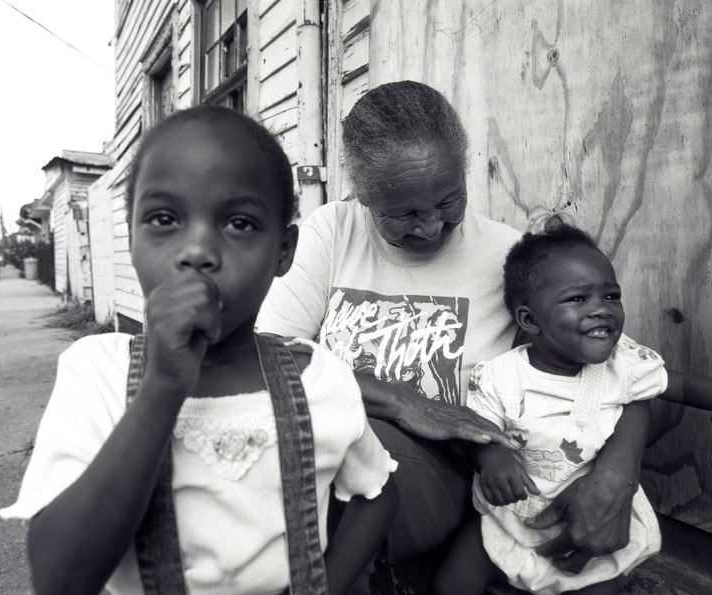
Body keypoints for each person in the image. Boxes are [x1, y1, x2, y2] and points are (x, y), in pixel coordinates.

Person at [257, 80, 652, 586]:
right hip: (329, 466)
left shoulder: (512, 258)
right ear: (361, 194)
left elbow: (617, 366)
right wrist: (405, 403)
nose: (429, 228)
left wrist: (618, 473)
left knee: (346, 445)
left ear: (464, 170)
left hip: (447, 479)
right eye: (402, 214)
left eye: (447, 202)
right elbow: (270, 356)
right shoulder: (331, 232)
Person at [0, 105, 398, 595]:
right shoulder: (96, 375)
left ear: (284, 252)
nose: (198, 250)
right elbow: (60, 579)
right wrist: (161, 390)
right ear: (132, 240)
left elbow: (377, 492)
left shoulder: (320, 379)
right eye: (164, 219)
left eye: (240, 223)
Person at [431, 224, 712, 595]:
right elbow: (479, 431)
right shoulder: (500, 375)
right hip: (511, 522)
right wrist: (492, 457)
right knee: (455, 580)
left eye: (611, 296)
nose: (601, 309)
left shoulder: (623, 364)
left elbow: (684, 385)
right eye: (578, 299)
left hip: (591, 523)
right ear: (531, 320)